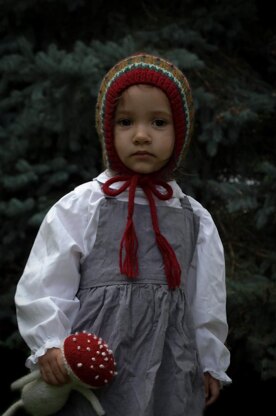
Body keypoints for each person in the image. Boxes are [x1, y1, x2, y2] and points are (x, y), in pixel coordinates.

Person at [14, 53, 231, 416]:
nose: (142, 135)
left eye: (159, 122)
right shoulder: (83, 205)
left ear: (180, 133)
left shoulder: (193, 217)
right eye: (126, 121)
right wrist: (49, 341)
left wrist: (210, 359)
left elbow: (206, 298)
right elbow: (47, 279)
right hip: (97, 360)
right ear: (107, 130)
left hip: (170, 365)